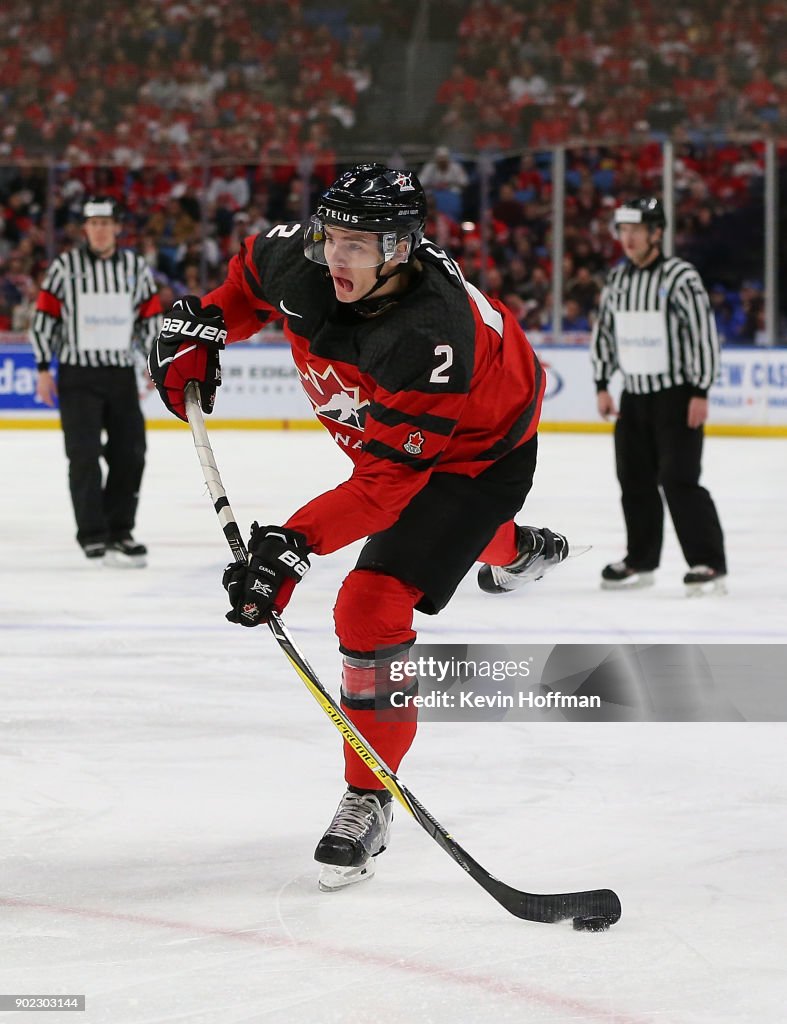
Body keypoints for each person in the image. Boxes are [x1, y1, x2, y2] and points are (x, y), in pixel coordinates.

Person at [148, 164, 569, 891]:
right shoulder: (302, 260)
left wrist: (291, 546)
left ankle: (368, 794)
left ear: (401, 248)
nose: (335, 258)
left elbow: (385, 489)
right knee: (464, 543)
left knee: (371, 602)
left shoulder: (429, 336)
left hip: (479, 451)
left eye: (358, 245)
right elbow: (245, 289)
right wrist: (207, 329)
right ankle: (514, 549)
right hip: (398, 437)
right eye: (330, 238)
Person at [590, 197, 727, 596]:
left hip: (678, 396)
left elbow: (703, 333)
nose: (627, 239)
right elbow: (607, 333)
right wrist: (602, 383)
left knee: (679, 478)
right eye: (623, 231)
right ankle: (639, 559)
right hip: (634, 395)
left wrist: (700, 389)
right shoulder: (618, 280)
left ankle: (708, 563)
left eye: (636, 230)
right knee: (633, 479)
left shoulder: (681, 277)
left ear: (657, 233)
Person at [30, 196, 163, 566]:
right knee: (84, 455)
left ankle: (120, 529)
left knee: (131, 453)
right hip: (77, 375)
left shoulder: (135, 268)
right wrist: (44, 368)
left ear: (117, 227)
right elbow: (45, 318)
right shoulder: (65, 268)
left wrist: (152, 363)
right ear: (86, 229)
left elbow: (148, 319)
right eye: (94, 224)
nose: (100, 230)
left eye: (107, 223)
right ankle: (92, 533)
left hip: (120, 374)